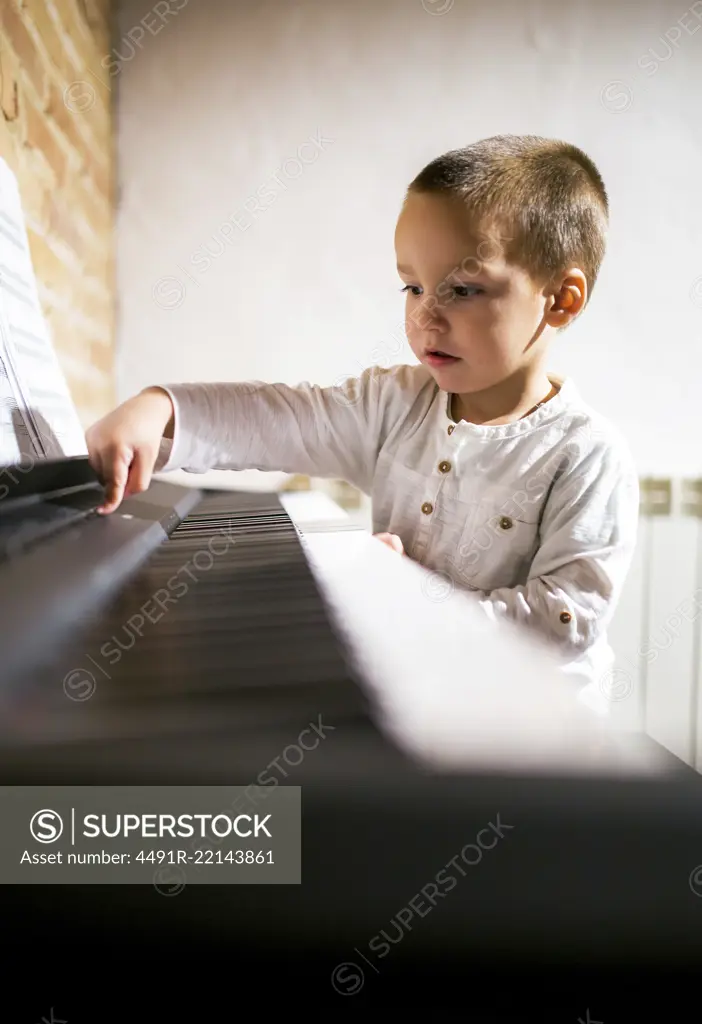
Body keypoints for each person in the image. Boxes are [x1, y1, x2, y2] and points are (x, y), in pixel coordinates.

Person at [85, 134, 640, 711]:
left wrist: (408, 601)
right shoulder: (396, 404)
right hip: (421, 700)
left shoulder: (587, 454)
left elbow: (564, 620)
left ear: (561, 300)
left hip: (537, 737)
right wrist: (165, 409)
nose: (425, 314)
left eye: (463, 289)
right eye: (413, 286)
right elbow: (283, 419)